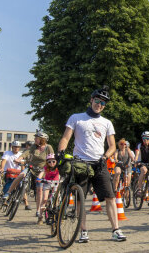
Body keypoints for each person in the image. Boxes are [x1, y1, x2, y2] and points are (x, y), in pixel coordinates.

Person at [57, 86, 126, 243]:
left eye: (103, 103)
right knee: (81, 200)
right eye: (97, 101)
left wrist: (105, 156)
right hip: (81, 163)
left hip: (99, 164)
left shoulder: (107, 123)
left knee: (110, 197)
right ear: (91, 100)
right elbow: (66, 138)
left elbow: (112, 145)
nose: (99, 105)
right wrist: (61, 151)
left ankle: (116, 230)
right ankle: (83, 231)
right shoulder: (76, 118)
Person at [10, 132, 54, 213]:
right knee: (21, 175)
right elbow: (26, 152)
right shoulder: (34, 146)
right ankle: (8, 193)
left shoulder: (48, 147)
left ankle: (38, 210)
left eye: (36, 138)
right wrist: (19, 159)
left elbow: (52, 159)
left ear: (42, 139)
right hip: (31, 168)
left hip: (42, 171)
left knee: (39, 190)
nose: (34, 139)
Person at [36, 153, 60, 223]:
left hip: (56, 184)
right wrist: (39, 178)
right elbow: (41, 173)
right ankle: (40, 216)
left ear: (56, 161)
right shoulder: (46, 168)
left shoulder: (58, 167)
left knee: (57, 200)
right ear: (47, 162)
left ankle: (58, 215)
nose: (51, 163)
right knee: (44, 199)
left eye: (53, 161)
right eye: (49, 161)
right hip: (47, 183)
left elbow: (62, 173)